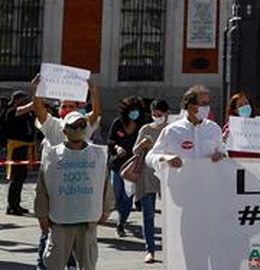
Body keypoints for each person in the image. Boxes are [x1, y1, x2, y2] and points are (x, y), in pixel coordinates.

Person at [35, 111, 112, 270]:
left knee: (88, 264)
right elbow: (42, 188)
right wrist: (42, 214)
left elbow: (105, 183)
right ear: (64, 130)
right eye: (73, 126)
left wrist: (106, 209)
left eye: (82, 125)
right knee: (54, 264)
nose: (78, 129)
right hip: (61, 220)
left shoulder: (97, 154)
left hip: (87, 220)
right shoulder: (52, 155)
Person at [146, 85, 226, 169]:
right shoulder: (171, 130)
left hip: (207, 180)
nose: (207, 108)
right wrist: (165, 158)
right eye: (203, 104)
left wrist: (221, 155)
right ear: (190, 106)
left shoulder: (214, 128)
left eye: (208, 104)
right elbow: (150, 157)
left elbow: (223, 152)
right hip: (179, 181)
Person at [130, 100, 169, 264]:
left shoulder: (171, 129)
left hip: (167, 176)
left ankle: (171, 248)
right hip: (147, 175)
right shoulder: (145, 129)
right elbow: (134, 150)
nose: (157, 117)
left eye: (160, 114)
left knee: (170, 215)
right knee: (148, 214)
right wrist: (141, 144)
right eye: (154, 114)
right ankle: (150, 250)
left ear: (166, 113)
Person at [105, 96, 144, 237]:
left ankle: (121, 222)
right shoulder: (118, 123)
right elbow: (109, 141)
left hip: (133, 167)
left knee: (127, 196)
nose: (135, 113)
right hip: (117, 165)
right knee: (116, 193)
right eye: (132, 110)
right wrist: (116, 148)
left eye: (137, 110)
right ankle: (119, 214)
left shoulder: (141, 127)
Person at [3, 89, 36, 216]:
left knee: (22, 177)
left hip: (24, 148)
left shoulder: (26, 114)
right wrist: (36, 89)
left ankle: (16, 204)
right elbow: (31, 106)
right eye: (22, 99)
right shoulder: (12, 111)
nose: (25, 101)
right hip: (17, 148)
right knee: (16, 177)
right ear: (16, 100)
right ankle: (12, 206)